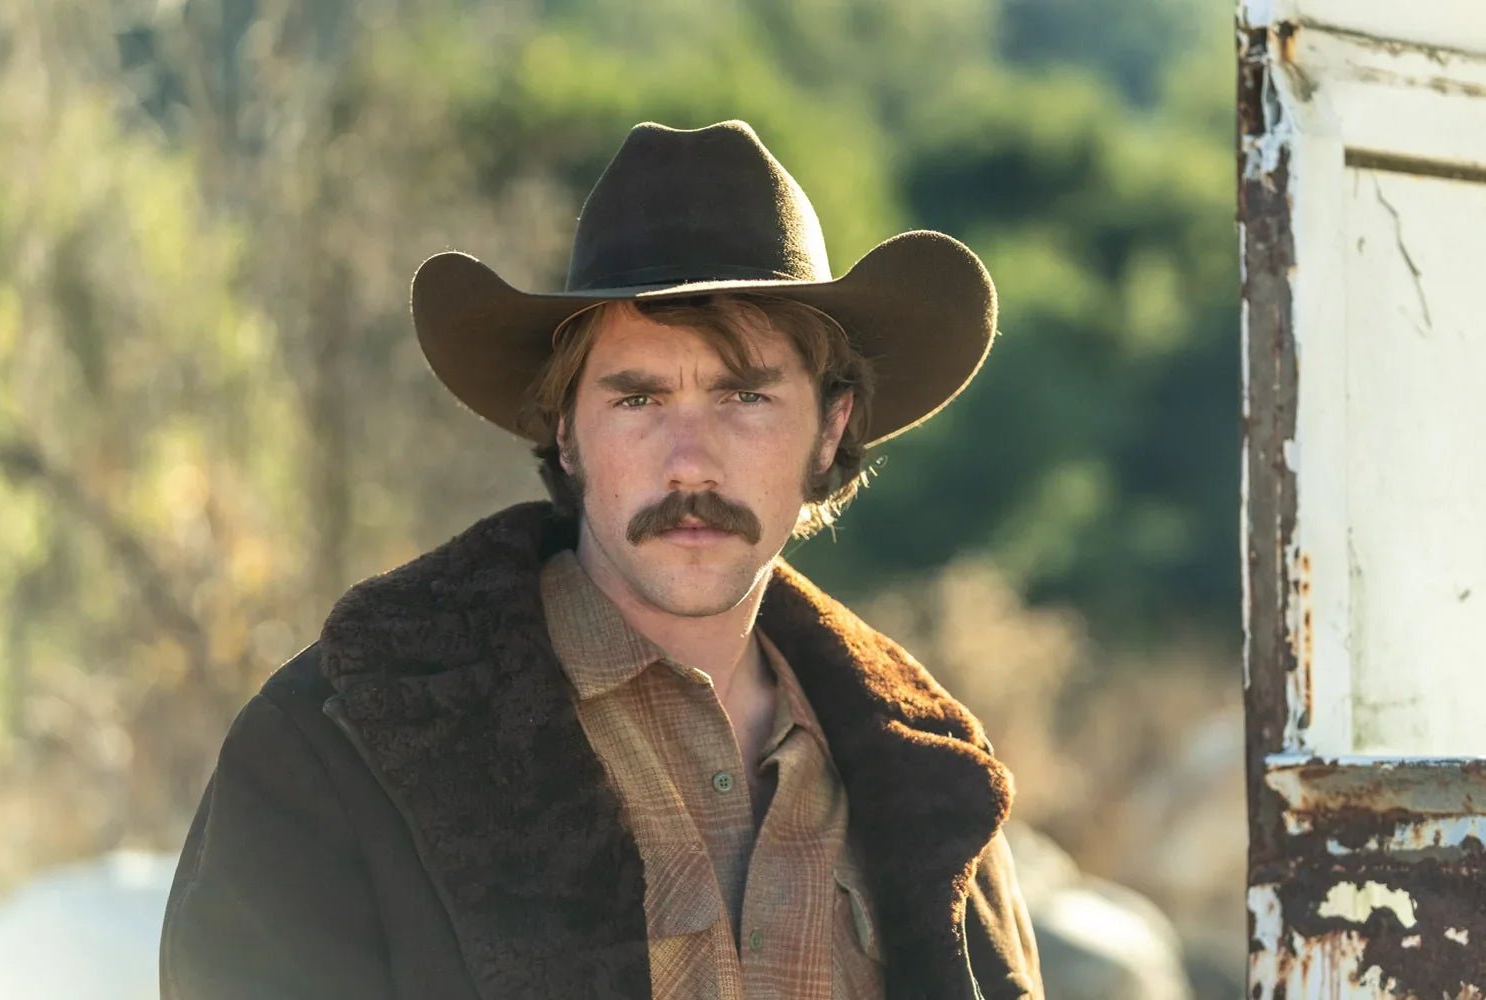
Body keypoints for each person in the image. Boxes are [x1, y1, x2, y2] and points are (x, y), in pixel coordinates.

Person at [160, 119, 1042, 1000]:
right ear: (567, 432)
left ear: (830, 428)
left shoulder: (930, 784)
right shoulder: (340, 747)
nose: (689, 458)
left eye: (745, 396)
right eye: (638, 398)